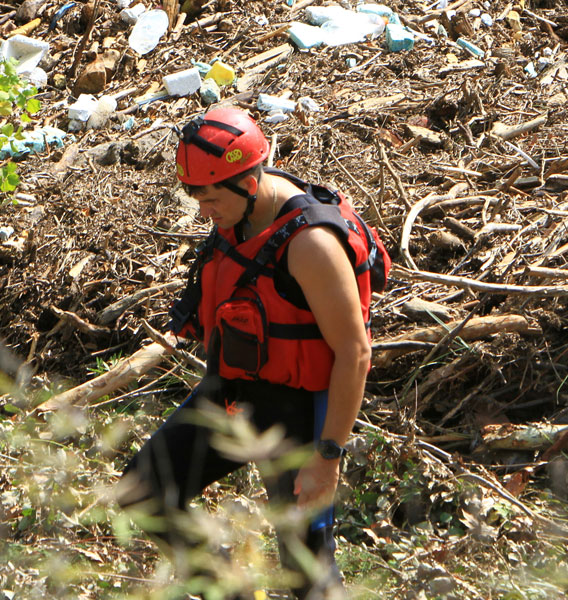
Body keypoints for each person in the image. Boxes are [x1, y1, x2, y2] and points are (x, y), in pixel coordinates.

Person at [116, 107, 387, 600]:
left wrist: (327, 457)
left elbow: (355, 353)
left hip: (298, 413)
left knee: (307, 570)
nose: (204, 212)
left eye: (211, 198)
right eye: (196, 196)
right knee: (144, 490)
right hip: (234, 394)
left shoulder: (311, 245)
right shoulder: (240, 210)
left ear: (248, 182)